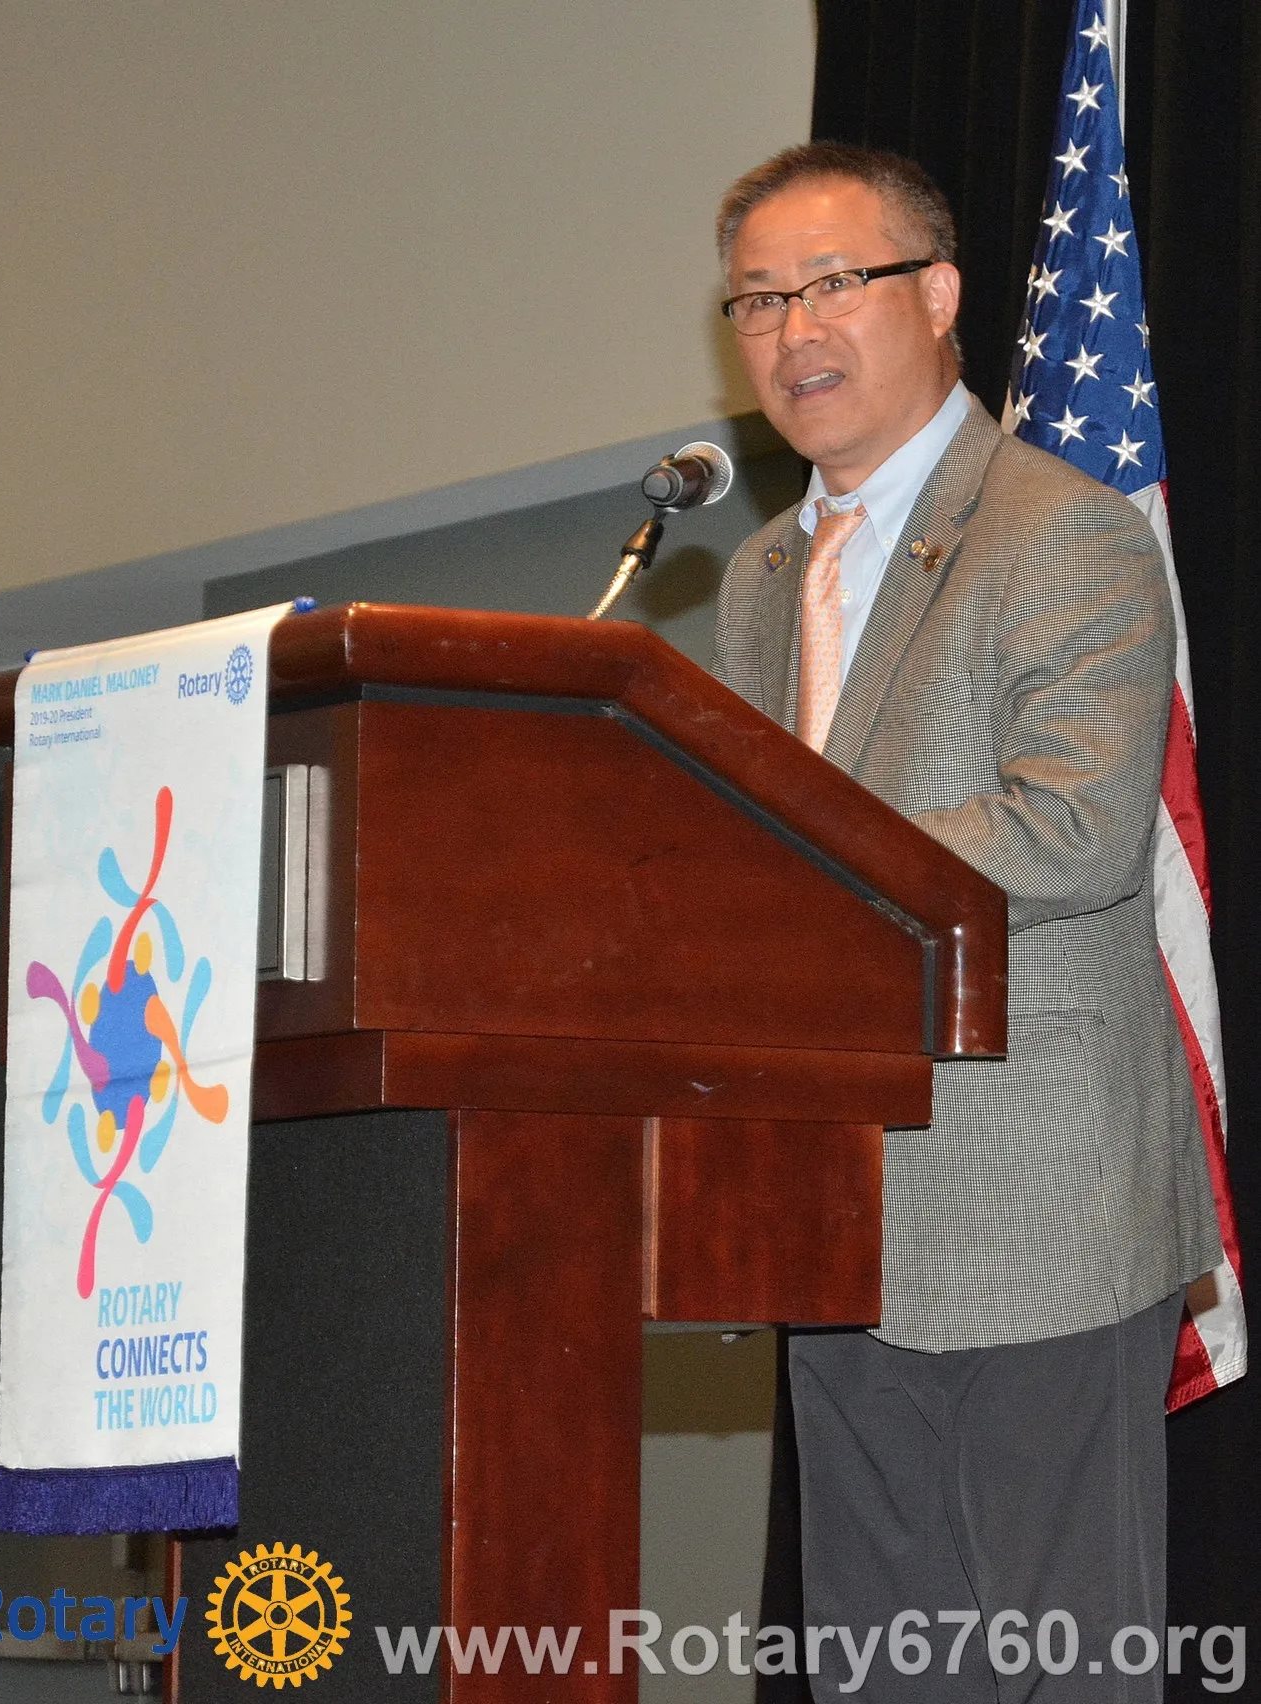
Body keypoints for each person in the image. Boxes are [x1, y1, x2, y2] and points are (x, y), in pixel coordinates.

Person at [711, 142, 1222, 1700]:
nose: (793, 331)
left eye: (831, 285)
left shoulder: (1060, 529)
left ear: (937, 296)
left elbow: (1070, 827)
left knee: (1060, 1669)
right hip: (831, 1207)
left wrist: (789, 880)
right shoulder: (758, 577)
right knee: (882, 1668)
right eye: (755, 301)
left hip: (1034, 1205)